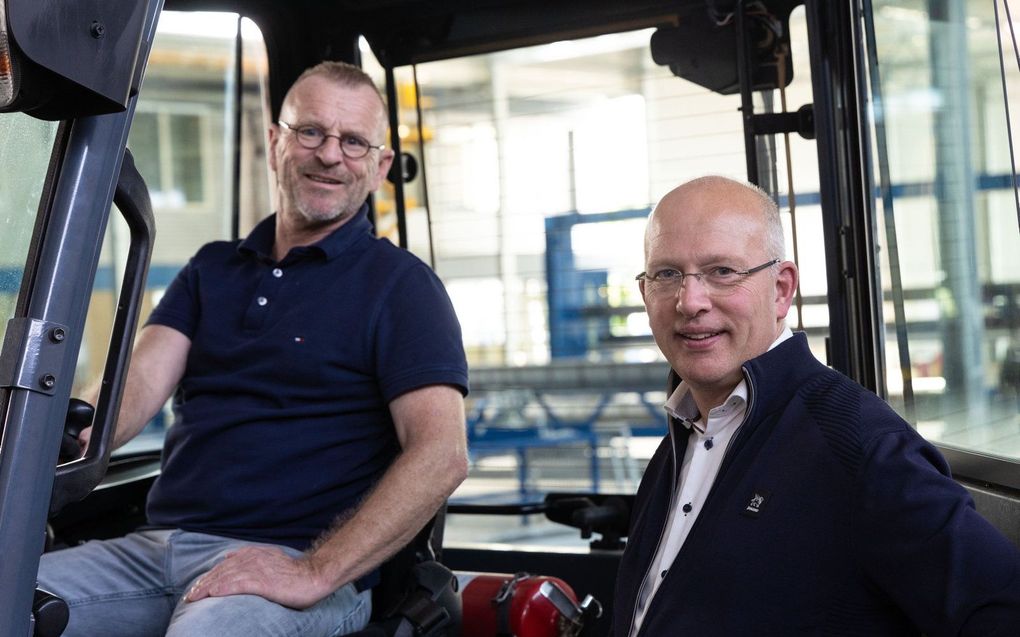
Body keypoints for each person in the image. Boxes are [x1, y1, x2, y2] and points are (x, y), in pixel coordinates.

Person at [37, 61, 469, 637]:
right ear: (274, 141)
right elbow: (132, 388)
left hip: (298, 565)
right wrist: (56, 448)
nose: (330, 155)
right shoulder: (211, 269)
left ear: (380, 164)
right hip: (156, 547)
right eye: (310, 131)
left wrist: (313, 571)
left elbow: (442, 454)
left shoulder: (403, 288)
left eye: (354, 141)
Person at [612, 175, 1020, 636]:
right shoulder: (686, 431)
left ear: (782, 289)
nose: (690, 301)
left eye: (722, 272)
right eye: (667, 274)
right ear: (645, 292)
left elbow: (1000, 611)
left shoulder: (860, 447)